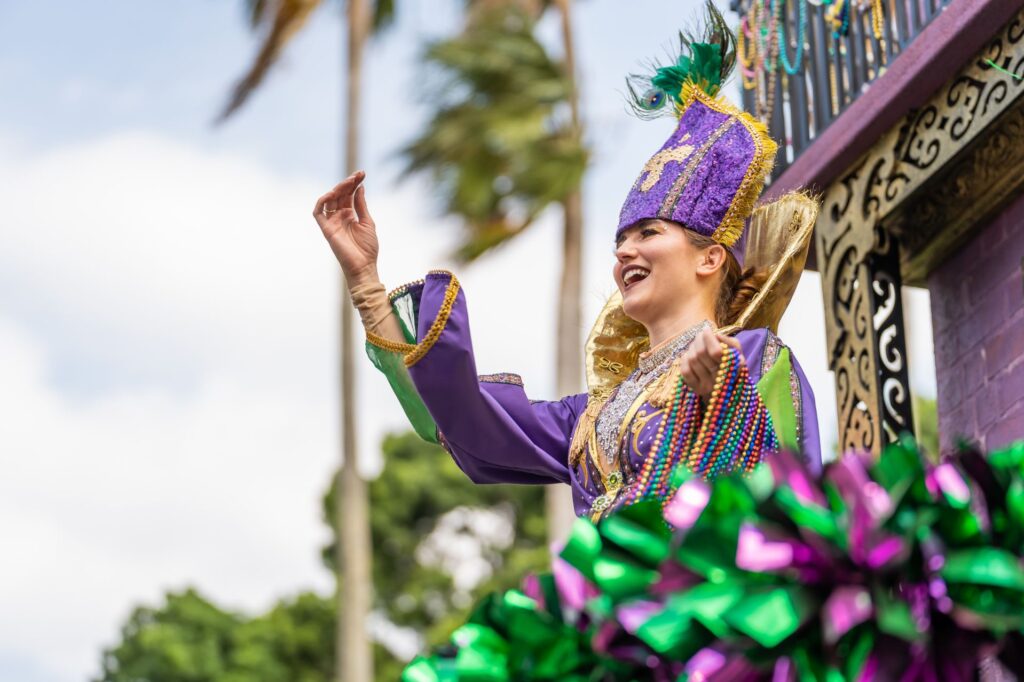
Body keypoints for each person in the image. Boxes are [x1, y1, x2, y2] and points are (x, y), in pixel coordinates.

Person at [312, 4, 821, 522]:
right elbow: (462, 419)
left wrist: (724, 397)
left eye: (649, 233)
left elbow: (791, 506)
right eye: (620, 240)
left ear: (711, 257)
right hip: (604, 603)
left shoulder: (756, 355)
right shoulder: (591, 416)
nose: (624, 251)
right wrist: (365, 284)